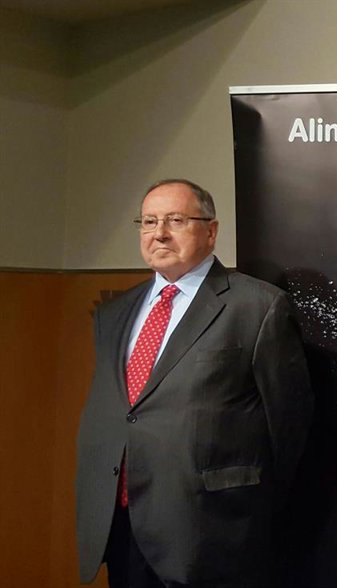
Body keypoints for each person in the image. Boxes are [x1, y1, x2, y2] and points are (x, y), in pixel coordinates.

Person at [75, 179, 313, 587]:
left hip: (211, 532)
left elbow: (290, 428)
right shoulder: (115, 313)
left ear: (211, 231)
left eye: (175, 220)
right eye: (148, 221)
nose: (159, 233)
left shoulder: (257, 307)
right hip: (122, 525)